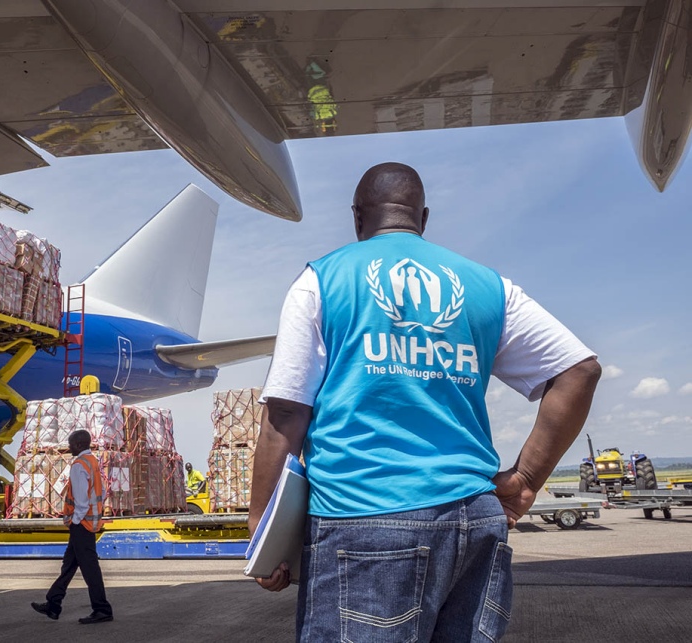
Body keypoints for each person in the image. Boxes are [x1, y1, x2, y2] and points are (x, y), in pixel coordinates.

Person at [249, 162, 601, 641]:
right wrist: (524, 480)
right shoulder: (488, 287)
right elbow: (579, 371)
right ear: (424, 218)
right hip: (473, 519)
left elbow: (286, 413)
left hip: (366, 518)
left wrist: (263, 529)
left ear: (357, 218)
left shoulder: (321, 281)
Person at [31, 429, 113, 625]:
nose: (68, 448)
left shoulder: (78, 465)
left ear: (77, 445)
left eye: (70, 444)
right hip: (89, 522)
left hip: (81, 523)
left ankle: (102, 609)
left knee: (89, 568)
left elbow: (82, 500)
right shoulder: (92, 461)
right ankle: (53, 603)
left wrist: (75, 522)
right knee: (69, 565)